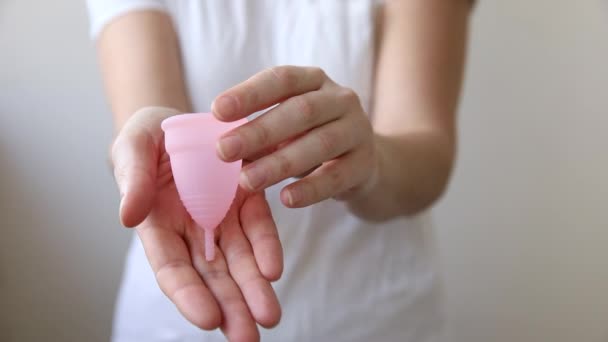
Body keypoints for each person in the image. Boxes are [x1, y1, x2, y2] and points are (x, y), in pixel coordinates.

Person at [86, 0, 473, 341]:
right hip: (178, 312)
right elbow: (146, 129)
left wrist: (370, 163)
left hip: (375, 315)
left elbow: (428, 157)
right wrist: (146, 149)